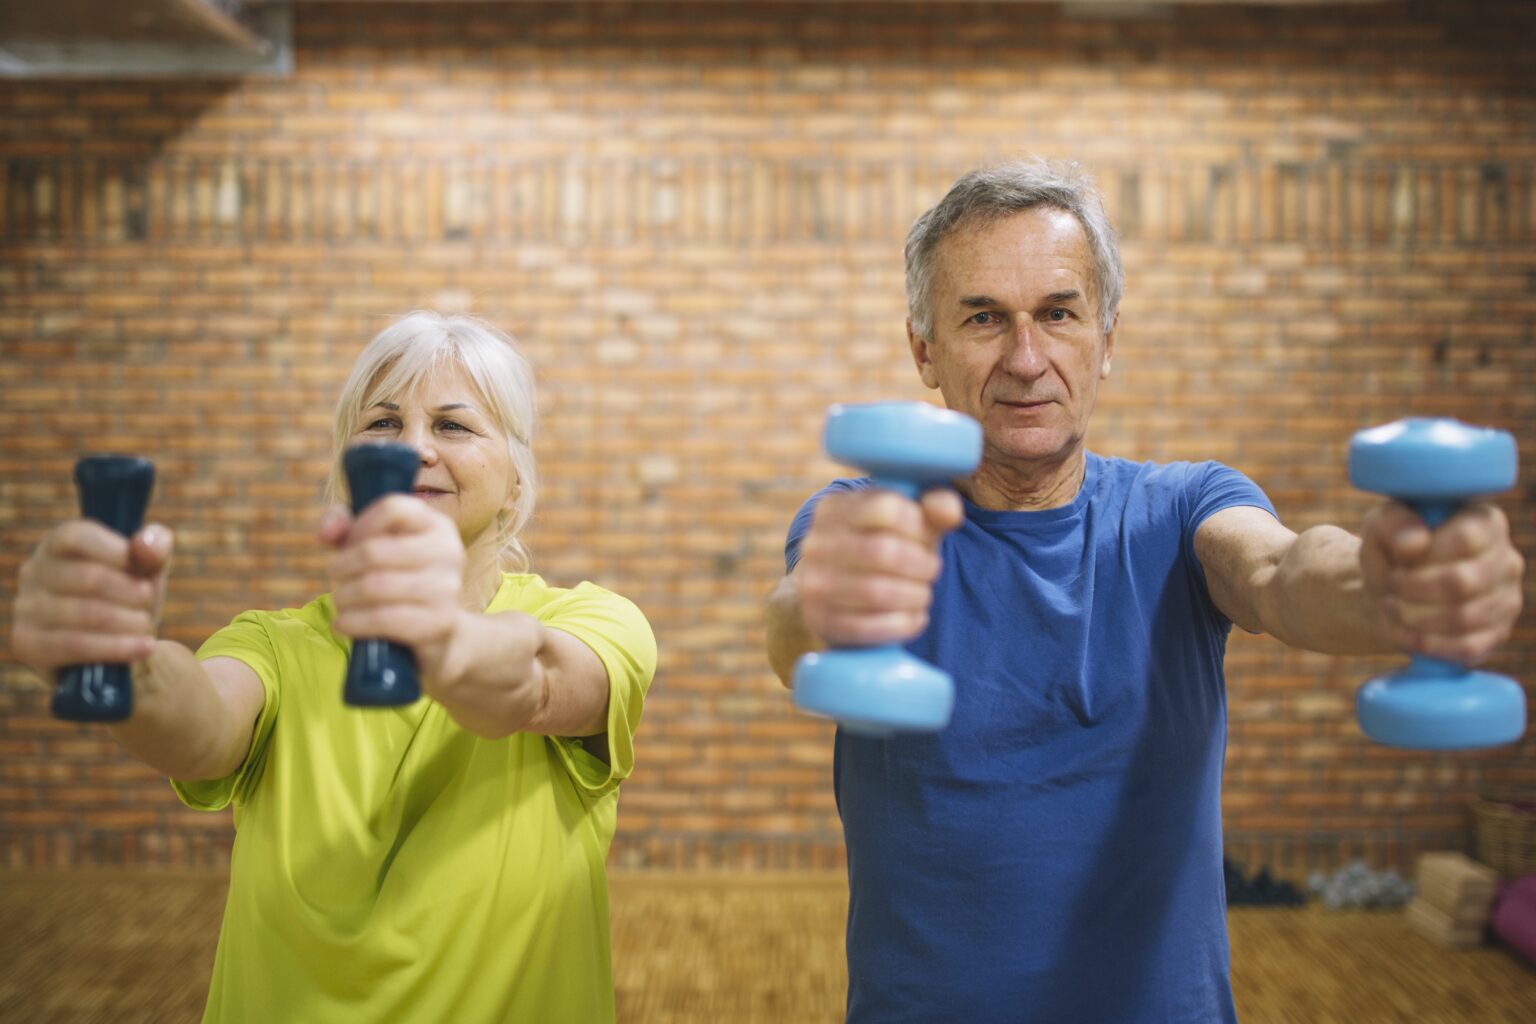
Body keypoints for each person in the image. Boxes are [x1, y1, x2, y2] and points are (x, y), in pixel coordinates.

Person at [764, 159, 1525, 1023]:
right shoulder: (867, 523)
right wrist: (821, 605)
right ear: (923, 350)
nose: (1026, 358)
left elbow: (1279, 571)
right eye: (984, 318)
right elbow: (798, 628)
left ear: (1108, 339)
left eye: (1059, 314)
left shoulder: (1182, 507)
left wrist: (1390, 582)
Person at [12, 311, 657, 1022]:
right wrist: (120, 660)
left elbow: (532, 683)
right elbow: (199, 721)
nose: (412, 450)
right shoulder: (275, 645)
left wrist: (439, 638)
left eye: (453, 426)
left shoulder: (598, 622)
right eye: (382, 424)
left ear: (514, 482)